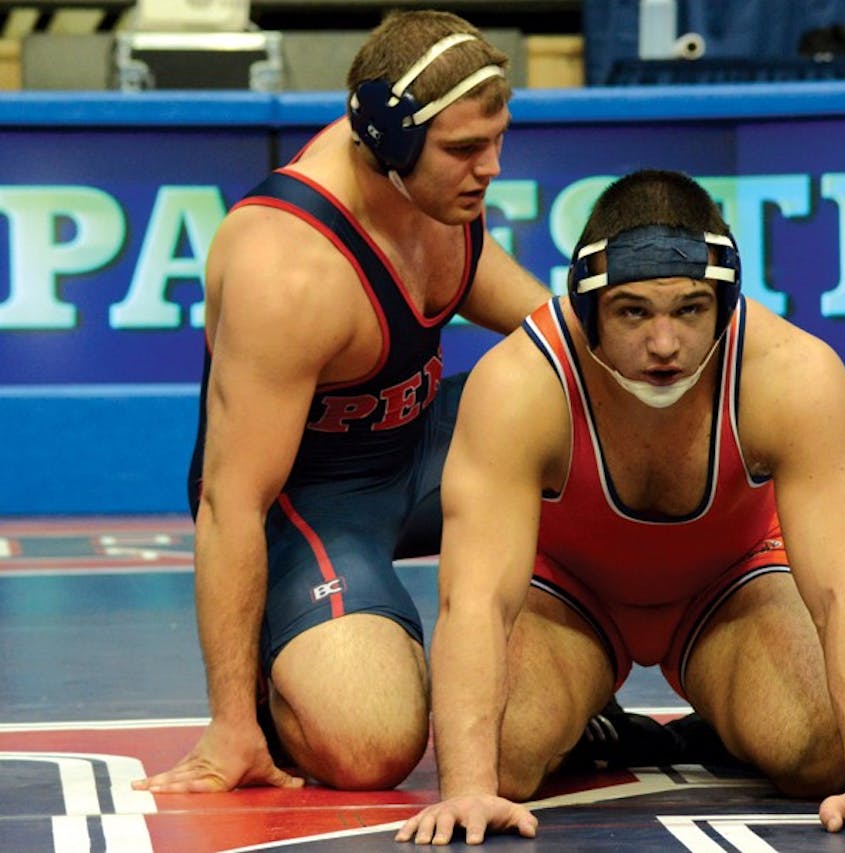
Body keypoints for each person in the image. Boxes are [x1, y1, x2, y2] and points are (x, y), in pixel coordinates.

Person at [395, 170, 845, 843]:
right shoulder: (521, 382)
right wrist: (466, 788)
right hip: (570, 593)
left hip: (727, 587)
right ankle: (597, 717)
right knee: (502, 762)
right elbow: (476, 601)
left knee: (824, 751)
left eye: (690, 309)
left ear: (725, 304)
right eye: (633, 311)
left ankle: (728, 719)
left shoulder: (792, 374)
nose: (664, 344)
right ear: (588, 310)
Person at [131, 10, 549, 794]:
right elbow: (231, 502)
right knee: (372, 745)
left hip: (422, 445)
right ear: (389, 145)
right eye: (466, 150)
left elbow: (553, 333)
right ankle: (289, 670)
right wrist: (231, 726)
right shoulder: (287, 269)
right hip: (312, 503)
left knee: (592, 393)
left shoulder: (439, 184)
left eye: (498, 140)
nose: (491, 168)